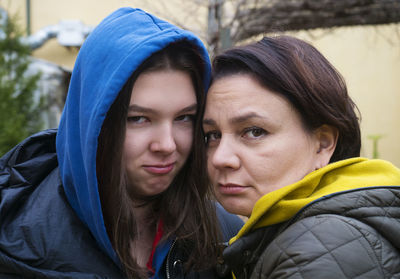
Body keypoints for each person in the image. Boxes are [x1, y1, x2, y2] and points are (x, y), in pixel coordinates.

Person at [0, 7, 243, 279]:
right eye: (139, 119)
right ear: (94, 123)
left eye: (184, 117)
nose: (166, 145)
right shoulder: (17, 247)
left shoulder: (224, 234)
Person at [202, 35, 400, 278]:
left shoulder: (317, 251)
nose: (220, 158)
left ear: (322, 144)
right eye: (211, 135)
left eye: (254, 131)